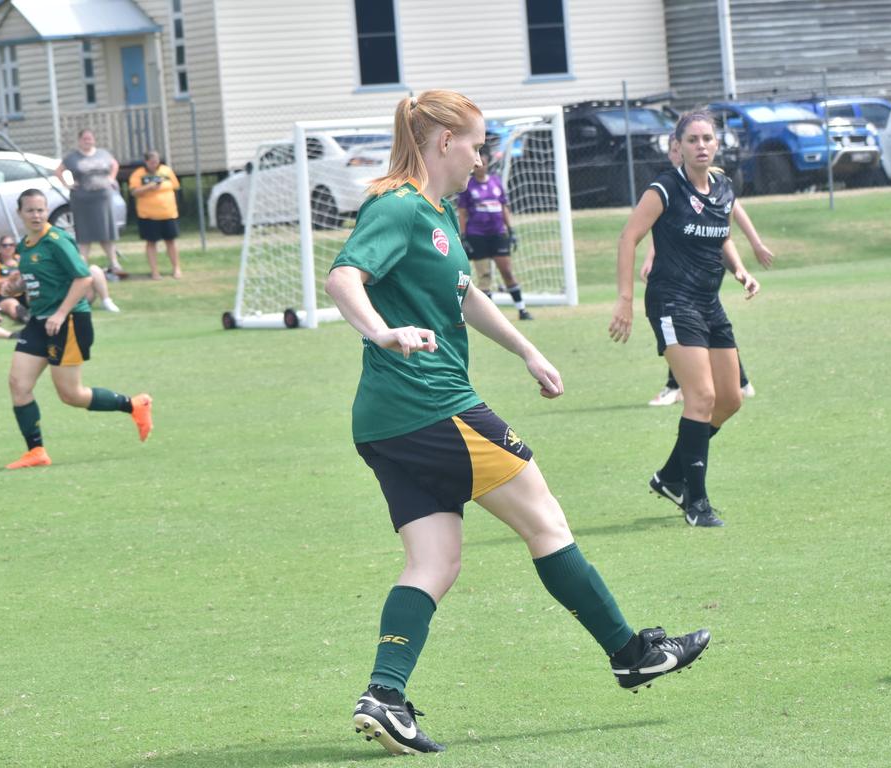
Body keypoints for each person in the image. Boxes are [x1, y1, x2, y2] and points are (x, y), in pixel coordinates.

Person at [326, 90, 710, 756]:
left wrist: (527, 349)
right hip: (431, 407)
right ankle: (629, 653)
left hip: (389, 425)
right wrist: (384, 333)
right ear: (445, 140)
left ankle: (383, 696)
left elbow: (464, 293)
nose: (483, 157)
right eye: (477, 143)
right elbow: (343, 279)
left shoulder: (438, 213)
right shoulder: (398, 207)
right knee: (547, 522)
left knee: (435, 561)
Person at [609, 110, 760, 527]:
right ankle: (697, 502)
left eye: (707, 138)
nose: (701, 145)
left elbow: (722, 236)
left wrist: (741, 271)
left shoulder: (724, 187)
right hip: (672, 301)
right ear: (678, 146)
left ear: (717, 143)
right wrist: (624, 298)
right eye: (692, 139)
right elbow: (629, 237)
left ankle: (671, 476)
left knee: (729, 399)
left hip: (709, 302)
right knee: (702, 397)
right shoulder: (665, 188)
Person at [0, 189, 152, 470]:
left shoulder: (57, 241)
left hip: (68, 321)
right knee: (18, 384)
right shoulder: (24, 246)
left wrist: (60, 313)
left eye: (41, 210)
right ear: (19, 213)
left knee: (71, 395)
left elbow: (83, 279)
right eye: (30, 210)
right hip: (39, 322)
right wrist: (15, 286)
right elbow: (34, 277)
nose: (36, 215)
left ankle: (134, 405)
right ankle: (36, 452)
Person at [641, 138, 772, 407]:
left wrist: (750, 252)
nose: (678, 154)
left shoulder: (716, 184)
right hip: (680, 283)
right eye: (674, 150)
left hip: (699, 279)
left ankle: (679, 386)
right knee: (691, 332)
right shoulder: (669, 187)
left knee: (695, 332)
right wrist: (650, 255)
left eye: (704, 140)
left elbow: (730, 220)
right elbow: (667, 228)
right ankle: (737, 382)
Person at [457, 146, 533, 320]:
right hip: (477, 235)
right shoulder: (468, 186)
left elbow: (504, 207)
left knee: (507, 271)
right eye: (477, 163)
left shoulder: (496, 182)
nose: (480, 166)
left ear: (487, 164)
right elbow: (462, 212)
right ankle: (488, 317)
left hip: (498, 234)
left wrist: (511, 230)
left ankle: (522, 310)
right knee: (484, 276)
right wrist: (464, 236)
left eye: (483, 163)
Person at [55, 129, 126, 277]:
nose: (88, 141)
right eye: (85, 139)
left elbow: (114, 164)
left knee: (106, 231)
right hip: (82, 199)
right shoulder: (72, 157)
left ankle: (114, 263)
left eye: (90, 138)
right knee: (84, 233)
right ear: (79, 140)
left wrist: (111, 178)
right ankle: (82, 265)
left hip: (103, 198)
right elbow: (59, 171)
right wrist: (67, 184)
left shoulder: (103, 154)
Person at [128, 150, 182, 280]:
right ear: (146, 162)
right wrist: (149, 187)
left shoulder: (166, 171)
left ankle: (176, 268)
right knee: (151, 243)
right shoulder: (138, 174)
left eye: (156, 161)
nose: (155, 164)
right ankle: (155, 272)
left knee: (171, 241)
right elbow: (134, 192)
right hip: (148, 216)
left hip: (168, 213)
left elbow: (176, 186)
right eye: (152, 162)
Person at [0, 236, 30, 323]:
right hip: (0, 296)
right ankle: (26, 320)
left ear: (15, 247)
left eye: (11, 245)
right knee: (12, 304)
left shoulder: (19, 259)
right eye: (5, 245)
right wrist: (10, 278)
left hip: (20, 292)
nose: (8, 248)